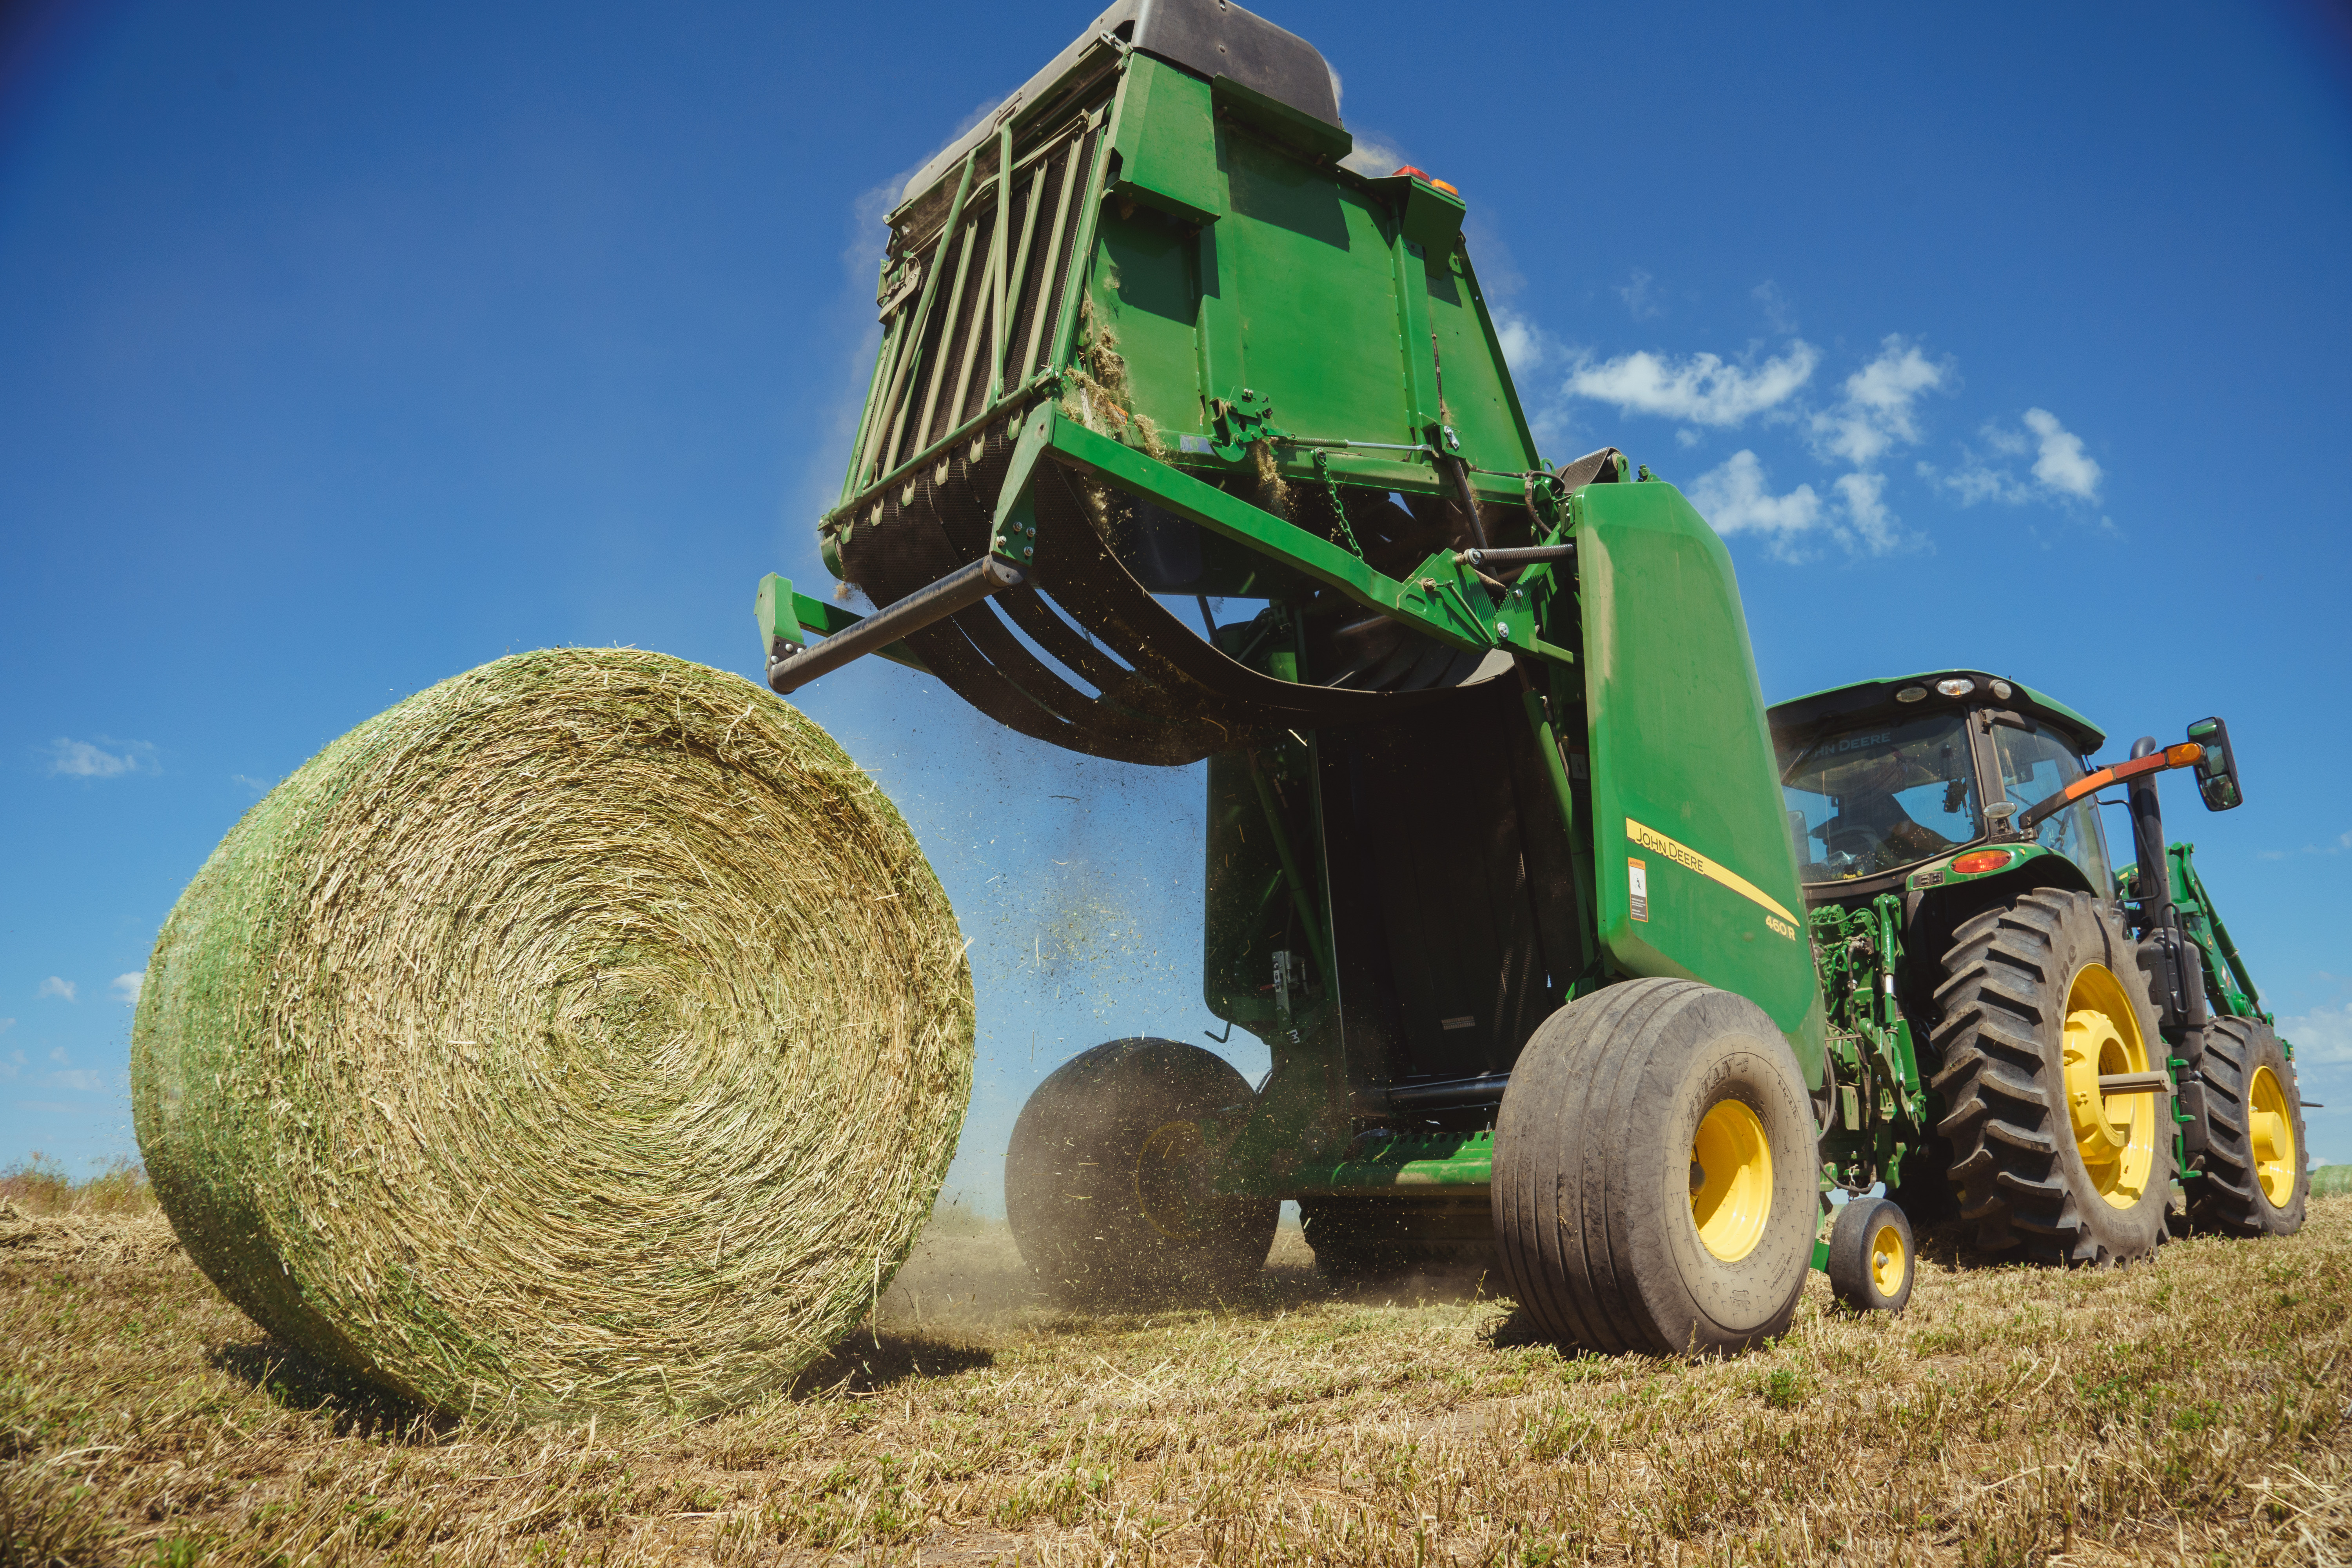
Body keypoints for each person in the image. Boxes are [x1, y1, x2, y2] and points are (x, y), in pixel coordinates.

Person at [1826, 746, 1957, 869]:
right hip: (1890, 870)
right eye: (1902, 769)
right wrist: (1949, 847)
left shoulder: (1859, 799)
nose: (1904, 776)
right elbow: (1912, 833)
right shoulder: (1877, 799)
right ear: (1884, 769)